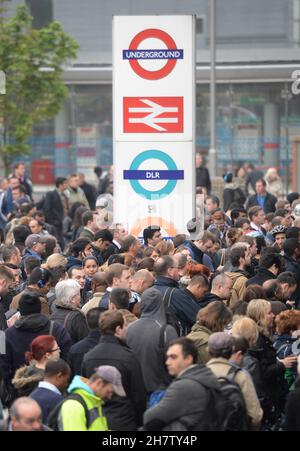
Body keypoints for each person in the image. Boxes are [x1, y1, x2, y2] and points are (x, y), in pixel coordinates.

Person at [82, 310, 147, 431]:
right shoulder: (128, 357)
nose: (127, 330)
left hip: (98, 421)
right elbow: (139, 396)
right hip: (125, 421)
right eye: (125, 326)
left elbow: (86, 393)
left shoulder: (88, 357)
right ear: (118, 329)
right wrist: (139, 421)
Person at [143, 337, 220, 431]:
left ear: (188, 359)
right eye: (167, 357)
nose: (167, 362)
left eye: (173, 357)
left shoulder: (184, 386)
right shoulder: (205, 376)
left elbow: (150, 418)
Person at [0, 293, 72, 391]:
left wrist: (13, 388)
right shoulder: (58, 330)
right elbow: (67, 359)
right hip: (53, 388)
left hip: (19, 391)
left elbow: (3, 368)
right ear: (39, 308)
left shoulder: (6, 335)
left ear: (20, 310)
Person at [126, 287, 178, 398]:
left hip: (135, 393)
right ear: (161, 303)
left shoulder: (129, 329)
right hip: (160, 392)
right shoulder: (166, 331)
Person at [206, 332, 263, 429]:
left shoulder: (198, 374)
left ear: (208, 350)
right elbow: (255, 416)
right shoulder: (240, 375)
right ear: (232, 349)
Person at [56, 366, 125, 431]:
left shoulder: (93, 402)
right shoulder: (74, 405)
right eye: (109, 392)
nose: (110, 397)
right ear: (99, 383)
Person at [30, 359, 71, 424]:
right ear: (59, 376)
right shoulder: (58, 401)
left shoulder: (31, 396)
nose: (66, 384)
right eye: (67, 379)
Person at [50, 279, 89, 344]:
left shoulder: (53, 314)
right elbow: (85, 341)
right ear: (72, 299)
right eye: (79, 294)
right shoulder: (77, 317)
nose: (80, 297)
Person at [68, 308, 102, 377]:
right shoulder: (112, 347)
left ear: (87, 323)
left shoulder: (75, 349)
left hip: (81, 386)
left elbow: (71, 376)